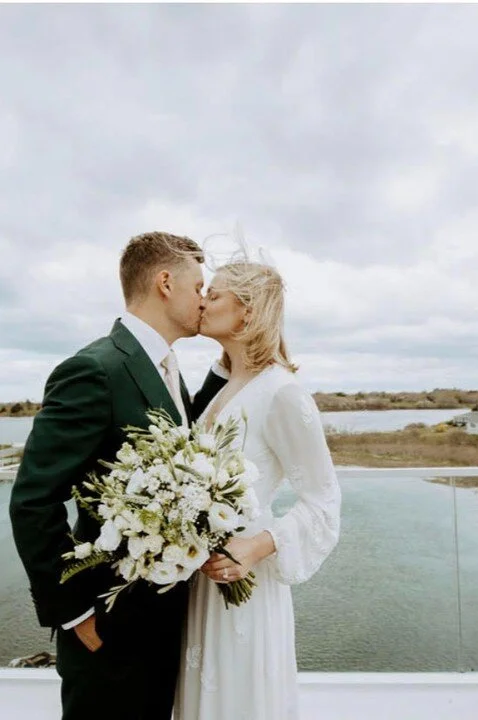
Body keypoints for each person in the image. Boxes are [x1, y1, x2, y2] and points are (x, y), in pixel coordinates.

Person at [9, 231, 207, 720]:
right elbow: (34, 499)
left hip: (162, 618)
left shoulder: (165, 367)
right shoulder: (94, 369)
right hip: (107, 625)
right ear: (165, 282)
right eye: (199, 286)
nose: (204, 299)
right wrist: (74, 611)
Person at [175, 260, 341, 720]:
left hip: (245, 577)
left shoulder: (281, 392)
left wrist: (256, 546)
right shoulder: (224, 386)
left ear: (247, 312)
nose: (204, 300)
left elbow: (324, 502)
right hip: (202, 579)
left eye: (216, 294)